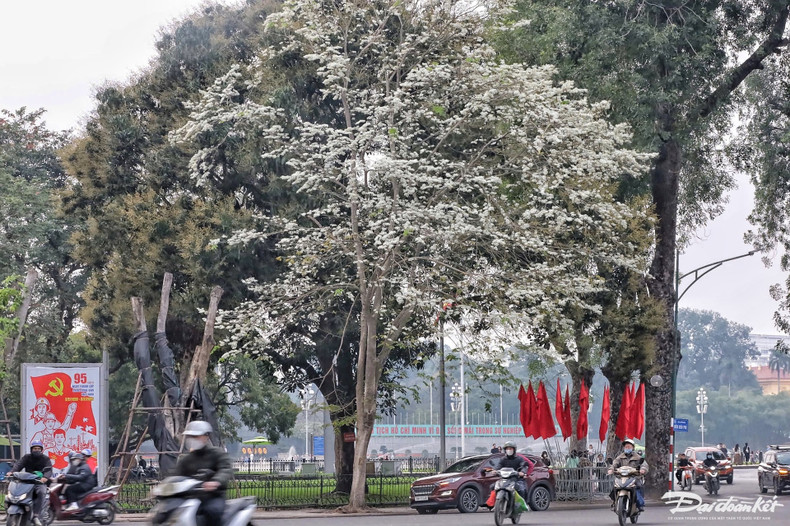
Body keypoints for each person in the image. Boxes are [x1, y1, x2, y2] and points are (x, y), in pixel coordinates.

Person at [174, 420, 233, 526]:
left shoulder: (217, 453)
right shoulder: (186, 459)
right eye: (190, 436)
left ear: (206, 437)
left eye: (196, 436)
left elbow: (225, 469)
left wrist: (215, 482)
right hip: (191, 497)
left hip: (213, 496)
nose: (192, 439)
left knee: (212, 511)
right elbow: (176, 476)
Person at [11, 441, 52, 526]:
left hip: (39, 482)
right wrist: (12, 472)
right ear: (31, 449)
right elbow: (19, 465)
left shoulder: (45, 459)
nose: (36, 450)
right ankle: (12, 509)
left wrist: (45, 478)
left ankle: (36, 516)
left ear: (41, 450)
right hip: (27, 482)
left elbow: (48, 470)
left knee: (41, 492)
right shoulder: (27, 457)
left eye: (38, 449)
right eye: (34, 449)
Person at [609, 439, 648, 512]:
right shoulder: (620, 457)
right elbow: (615, 463)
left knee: (638, 487)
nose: (627, 448)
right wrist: (611, 469)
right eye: (626, 447)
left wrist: (643, 469)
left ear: (633, 448)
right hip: (622, 477)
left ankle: (640, 504)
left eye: (629, 447)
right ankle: (614, 502)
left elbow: (644, 464)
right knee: (615, 487)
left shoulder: (638, 457)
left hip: (634, 477)